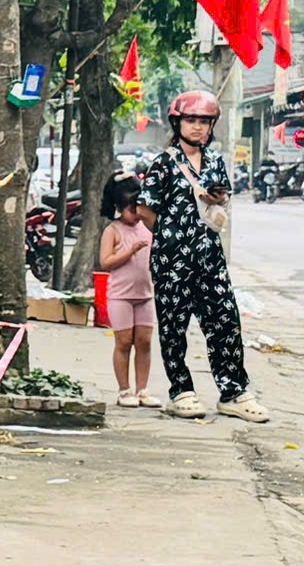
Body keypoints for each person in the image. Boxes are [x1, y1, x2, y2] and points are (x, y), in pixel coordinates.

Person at [137, 91, 267, 421]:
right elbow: (144, 209)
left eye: (204, 121)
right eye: (191, 120)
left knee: (225, 320)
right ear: (177, 123)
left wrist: (214, 202)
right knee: (173, 325)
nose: (197, 127)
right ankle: (181, 391)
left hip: (210, 257)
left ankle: (234, 391)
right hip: (171, 261)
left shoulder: (214, 162)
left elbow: (220, 201)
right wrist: (171, 237)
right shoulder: (163, 164)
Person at [98, 175, 158, 408]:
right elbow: (106, 262)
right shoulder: (113, 230)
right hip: (121, 296)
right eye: (131, 210)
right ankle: (124, 390)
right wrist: (130, 251)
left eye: (138, 208)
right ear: (119, 208)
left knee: (144, 342)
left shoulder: (147, 228)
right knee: (124, 342)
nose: (136, 215)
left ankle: (142, 388)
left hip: (145, 295)